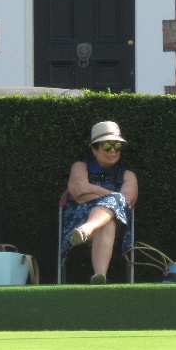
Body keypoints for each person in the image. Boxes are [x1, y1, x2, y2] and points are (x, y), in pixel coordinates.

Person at [62, 121, 138, 284]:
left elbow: (126, 202)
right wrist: (111, 197)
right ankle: (100, 274)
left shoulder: (128, 175)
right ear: (94, 149)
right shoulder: (80, 166)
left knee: (112, 213)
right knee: (109, 218)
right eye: (107, 146)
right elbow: (79, 195)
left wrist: (92, 188)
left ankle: (87, 230)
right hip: (78, 220)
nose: (113, 150)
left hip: (113, 228)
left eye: (117, 146)